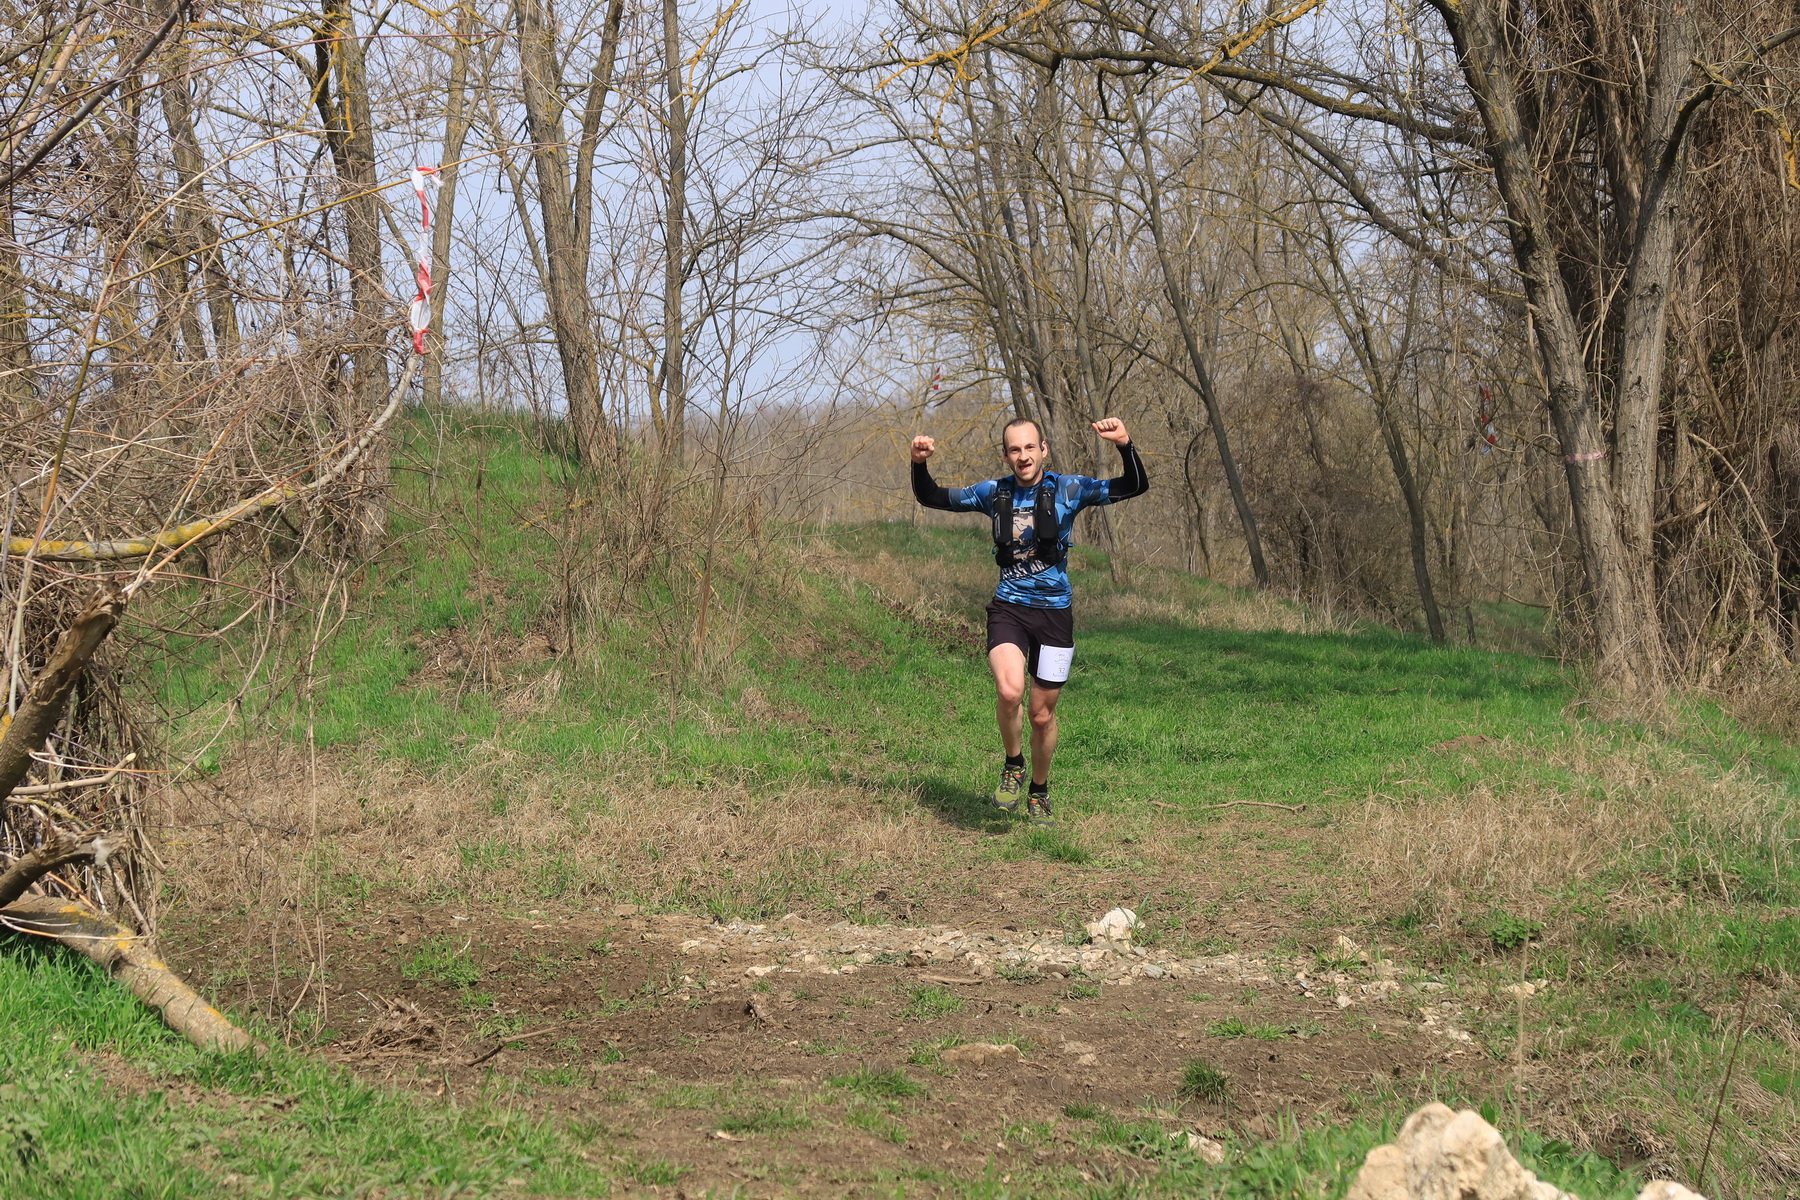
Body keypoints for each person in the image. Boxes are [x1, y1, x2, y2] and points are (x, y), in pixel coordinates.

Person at [910, 416, 1147, 825]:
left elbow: (1134, 485)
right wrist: (918, 463)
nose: (1023, 457)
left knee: (1041, 715)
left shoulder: (1069, 488)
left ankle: (1039, 790)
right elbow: (932, 497)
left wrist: (1125, 444)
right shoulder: (993, 493)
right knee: (1008, 690)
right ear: (1006, 455)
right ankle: (1013, 763)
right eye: (1014, 450)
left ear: (1044, 449)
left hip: (1055, 615)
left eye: (1029, 448)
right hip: (1009, 608)